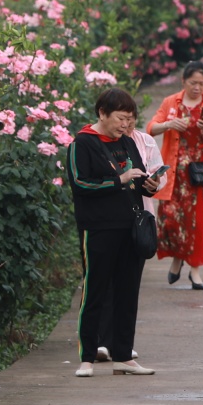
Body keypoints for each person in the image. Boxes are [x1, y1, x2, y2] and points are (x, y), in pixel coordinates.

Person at [66, 87, 160, 376]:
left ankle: (124, 356)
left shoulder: (128, 143)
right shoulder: (82, 143)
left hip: (130, 227)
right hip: (98, 228)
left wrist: (150, 185)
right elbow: (81, 184)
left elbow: (139, 175)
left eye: (130, 119)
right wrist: (120, 179)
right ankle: (87, 358)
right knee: (95, 291)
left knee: (127, 292)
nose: (125, 125)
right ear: (102, 113)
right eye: (121, 118)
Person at [149, 60, 203, 290]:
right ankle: (176, 260)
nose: (197, 88)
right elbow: (151, 127)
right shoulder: (170, 103)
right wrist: (169, 124)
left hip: (202, 174)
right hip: (175, 173)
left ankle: (195, 271)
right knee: (172, 219)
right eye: (193, 83)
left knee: (199, 222)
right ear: (183, 81)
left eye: (202, 84)